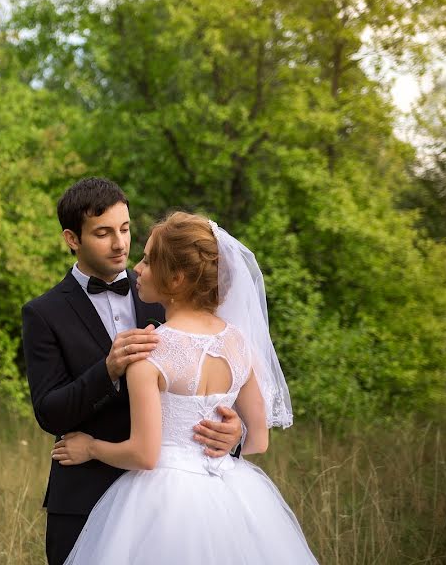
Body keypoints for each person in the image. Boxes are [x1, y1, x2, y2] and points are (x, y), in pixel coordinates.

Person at [51, 211, 318, 564]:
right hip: (233, 496)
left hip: (161, 501)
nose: (138, 269)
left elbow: (145, 456)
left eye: (148, 260)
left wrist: (91, 448)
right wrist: (232, 435)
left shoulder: (149, 354)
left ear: (175, 279)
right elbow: (259, 440)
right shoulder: (240, 343)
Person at [22, 179, 244, 565]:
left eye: (125, 229)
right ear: (72, 238)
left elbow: (209, 383)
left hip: (174, 506)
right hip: (83, 497)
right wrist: (107, 370)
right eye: (103, 233)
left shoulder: (167, 296)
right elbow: (49, 411)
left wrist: (234, 431)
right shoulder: (43, 313)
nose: (120, 244)